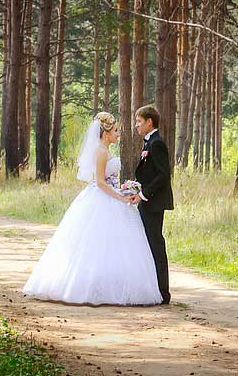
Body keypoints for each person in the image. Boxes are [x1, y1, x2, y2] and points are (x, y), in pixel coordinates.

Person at [22, 111, 163, 306]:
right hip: (102, 198)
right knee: (94, 242)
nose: (118, 134)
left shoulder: (107, 150)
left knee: (115, 246)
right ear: (106, 134)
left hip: (112, 195)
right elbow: (100, 182)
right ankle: (85, 287)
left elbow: (109, 179)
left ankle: (111, 283)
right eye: (115, 131)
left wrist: (124, 188)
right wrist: (120, 197)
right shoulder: (101, 151)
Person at [133, 104, 173, 304]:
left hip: (153, 203)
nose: (136, 125)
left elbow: (164, 175)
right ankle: (154, 289)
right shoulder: (148, 143)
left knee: (156, 245)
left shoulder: (156, 143)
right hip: (147, 201)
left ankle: (163, 293)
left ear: (149, 122)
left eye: (139, 121)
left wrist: (143, 194)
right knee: (147, 245)